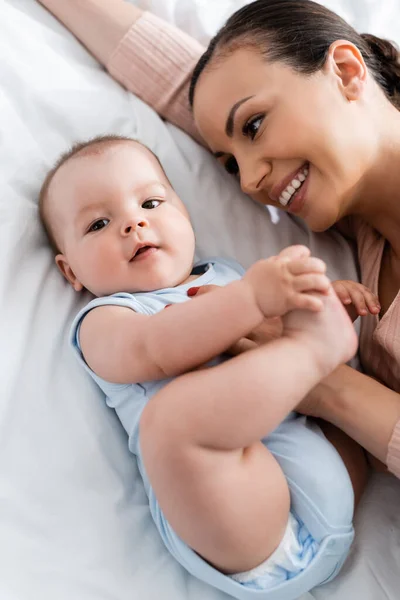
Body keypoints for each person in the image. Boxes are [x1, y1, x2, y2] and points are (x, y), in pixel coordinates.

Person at [37, 0, 400, 479]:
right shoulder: (367, 231)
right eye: (230, 163)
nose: (249, 181)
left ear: (346, 70)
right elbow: (177, 83)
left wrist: (325, 384)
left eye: (253, 126)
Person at [38, 134, 371, 598]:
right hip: (242, 522)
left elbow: (270, 341)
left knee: (323, 377)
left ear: (185, 214)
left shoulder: (228, 274)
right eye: (98, 224)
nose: (133, 223)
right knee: (168, 422)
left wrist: (315, 300)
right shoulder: (106, 319)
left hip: (331, 466)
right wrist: (253, 299)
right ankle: (315, 350)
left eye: (151, 202)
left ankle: (316, 345)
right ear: (71, 271)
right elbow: (155, 348)